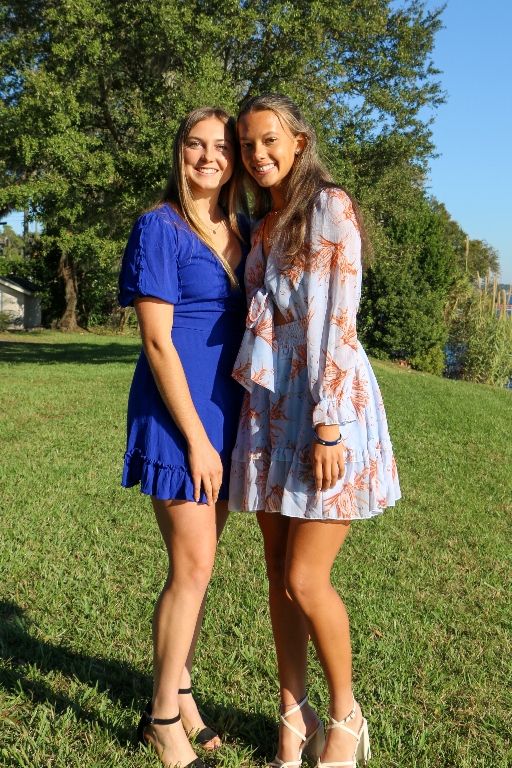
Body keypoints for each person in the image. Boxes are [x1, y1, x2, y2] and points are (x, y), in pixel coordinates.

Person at [229, 94, 401, 768]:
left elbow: (337, 319)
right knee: (276, 573)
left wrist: (329, 424)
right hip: (273, 410)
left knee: (305, 576)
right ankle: (291, 718)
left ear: (298, 141)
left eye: (269, 140)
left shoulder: (329, 207)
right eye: (247, 144)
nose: (257, 154)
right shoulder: (261, 226)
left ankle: (346, 714)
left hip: (327, 408)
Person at [118, 106, 249, 768]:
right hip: (180, 418)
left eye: (221, 147)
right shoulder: (159, 227)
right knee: (191, 567)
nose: (208, 157)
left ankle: (183, 691)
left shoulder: (241, 229)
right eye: (196, 145)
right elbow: (156, 341)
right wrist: (196, 439)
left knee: (203, 567)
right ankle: (161, 718)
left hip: (227, 415)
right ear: (179, 151)